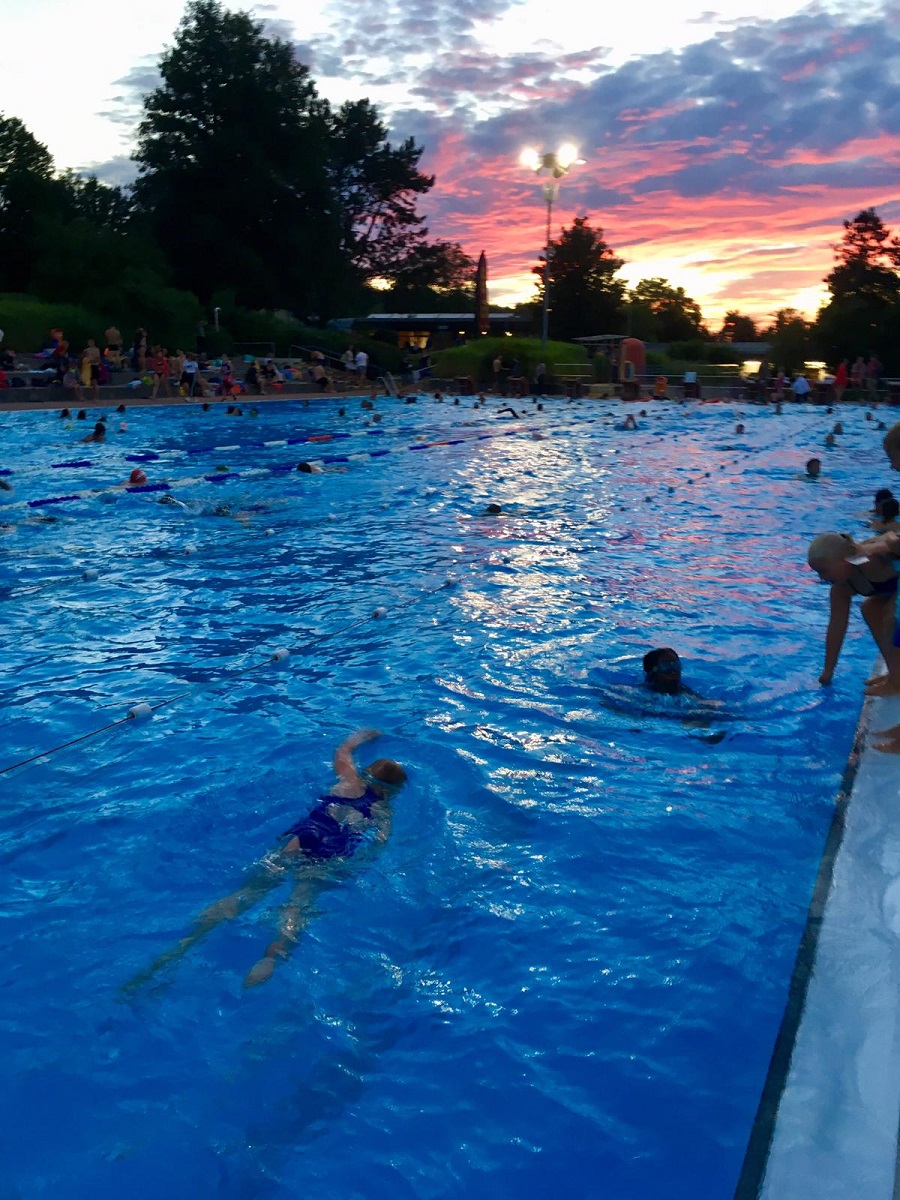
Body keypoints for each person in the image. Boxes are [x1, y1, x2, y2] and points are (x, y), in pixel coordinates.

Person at [124, 730, 405, 990]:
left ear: (368, 773)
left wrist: (366, 735)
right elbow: (378, 847)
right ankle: (270, 957)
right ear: (393, 791)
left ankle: (182, 946)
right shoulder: (383, 812)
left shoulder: (348, 781)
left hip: (301, 840)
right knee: (297, 907)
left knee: (245, 893)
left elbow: (344, 749)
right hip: (329, 857)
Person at [806, 531, 900, 688]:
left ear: (844, 561)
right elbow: (837, 626)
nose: (821, 578)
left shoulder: (872, 558)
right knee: (870, 608)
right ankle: (895, 672)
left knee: (892, 614)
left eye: (823, 570)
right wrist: (828, 671)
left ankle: (896, 683)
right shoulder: (841, 588)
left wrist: (885, 545)